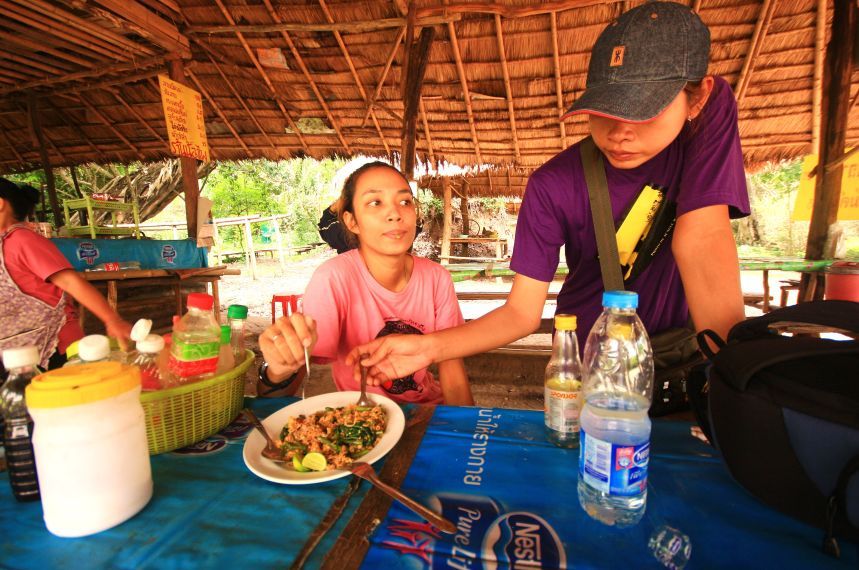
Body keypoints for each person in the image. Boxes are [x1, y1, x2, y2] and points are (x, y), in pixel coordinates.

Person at [350, 2, 749, 385]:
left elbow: (701, 237)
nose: (620, 131)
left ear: (696, 98)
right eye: (605, 109)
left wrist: (736, 371)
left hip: (678, 355)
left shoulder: (709, 119)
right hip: (587, 363)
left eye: (644, 109)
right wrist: (428, 349)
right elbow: (522, 314)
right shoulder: (552, 184)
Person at [257, 161, 473, 405]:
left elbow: (452, 369)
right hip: (361, 418)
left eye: (405, 202)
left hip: (427, 410)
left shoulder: (437, 278)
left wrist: (466, 432)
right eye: (375, 202)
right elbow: (278, 392)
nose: (395, 214)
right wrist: (279, 368)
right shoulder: (333, 279)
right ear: (352, 222)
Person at [0, 178, 132, 373]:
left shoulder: (21, 240)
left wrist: (112, 320)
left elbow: (71, 282)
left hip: (51, 347)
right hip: (15, 353)